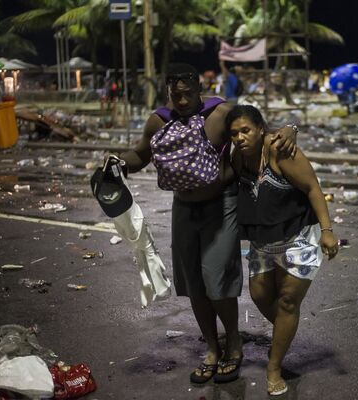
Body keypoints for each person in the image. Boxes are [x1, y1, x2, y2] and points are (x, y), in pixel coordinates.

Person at [111, 63, 297, 384]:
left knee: (216, 279)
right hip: (183, 208)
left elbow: (259, 133)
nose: (182, 101)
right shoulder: (160, 120)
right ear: (169, 91)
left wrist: (290, 128)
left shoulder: (221, 113)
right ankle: (212, 348)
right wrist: (115, 162)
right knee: (195, 285)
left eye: (188, 94)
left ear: (199, 88)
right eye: (176, 94)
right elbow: (140, 155)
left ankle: (234, 342)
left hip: (221, 206)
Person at [226, 105, 339, 396]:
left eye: (246, 130)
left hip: (299, 236)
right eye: (234, 133)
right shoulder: (238, 157)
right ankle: (285, 333)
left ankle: (273, 367)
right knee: (260, 295)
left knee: (288, 301)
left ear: (261, 128)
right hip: (263, 241)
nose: (239, 137)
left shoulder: (280, 150)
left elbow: (313, 187)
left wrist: (327, 231)